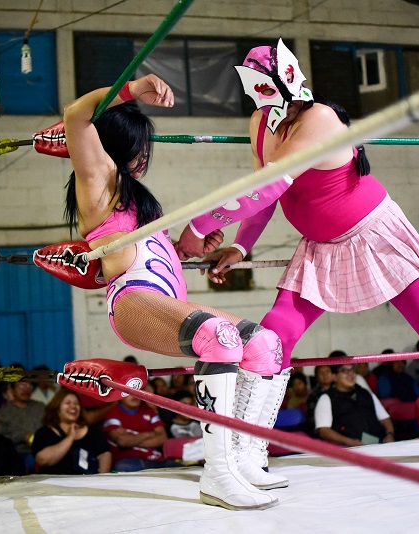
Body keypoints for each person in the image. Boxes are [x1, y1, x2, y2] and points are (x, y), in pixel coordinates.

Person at [176, 39, 419, 474]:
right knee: (272, 334)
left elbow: (267, 187)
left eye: (266, 88)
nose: (262, 100)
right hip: (320, 247)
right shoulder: (261, 122)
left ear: (288, 81)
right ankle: (249, 454)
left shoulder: (320, 118)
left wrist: (198, 227)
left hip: (375, 233)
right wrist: (240, 244)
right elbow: (266, 194)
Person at [59, 75, 289, 509]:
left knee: (265, 345)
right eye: (138, 144)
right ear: (114, 144)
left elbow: (158, 259)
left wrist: (192, 249)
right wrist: (131, 88)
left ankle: (243, 457)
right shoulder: (100, 182)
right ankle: (217, 474)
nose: (145, 155)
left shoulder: (139, 200)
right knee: (219, 338)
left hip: (164, 299)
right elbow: (76, 116)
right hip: (131, 301)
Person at [31, 389, 111, 475]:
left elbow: (105, 454)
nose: (73, 406)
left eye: (76, 404)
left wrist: (100, 479)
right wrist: (70, 437)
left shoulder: (92, 431)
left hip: (87, 484)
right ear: (57, 408)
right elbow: (43, 460)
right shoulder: (44, 432)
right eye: (67, 403)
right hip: (54, 484)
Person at [314, 363, 394, 446]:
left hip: (379, 444)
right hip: (350, 450)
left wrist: (390, 434)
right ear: (334, 376)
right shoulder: (326, 398)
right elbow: (324, 431)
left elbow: (385, 419)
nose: (350, 374)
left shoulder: (365, 393)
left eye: (352, 370)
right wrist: (349, 442)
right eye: (345, 371)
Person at [102, 389, 171, 472]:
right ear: (119, 396)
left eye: (137, 391)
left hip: (156, 459)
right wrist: (150, 434)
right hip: (129, 461)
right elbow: (122, 441)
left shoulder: (149, 411)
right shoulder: (113, 413)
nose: (134, 395)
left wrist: (131, 438)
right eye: (129, 392)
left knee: (181, 469)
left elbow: (163, 438)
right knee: (124, 467)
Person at [0, 380, 45, 473]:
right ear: (12, 389)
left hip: (42, 450)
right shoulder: (3, 413)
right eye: (21, 386)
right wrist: (22, 436)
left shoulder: (40, 407)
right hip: (18, 452)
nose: (25, 389)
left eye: (28, 385)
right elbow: (0, 436)